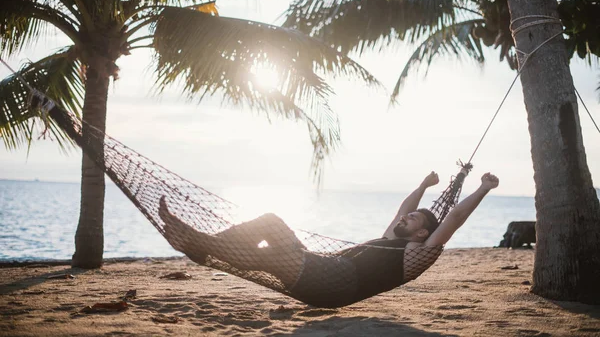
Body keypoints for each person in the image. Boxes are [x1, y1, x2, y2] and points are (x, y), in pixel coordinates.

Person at [159, 171, 499, 307]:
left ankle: (195, 243)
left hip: (336, 283)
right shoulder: (391, 240)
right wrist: (423, 186)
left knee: (270, 256)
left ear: (423, 233)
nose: (405, 217)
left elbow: (453, 218)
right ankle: (201, 245)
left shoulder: (418, 253)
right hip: (326, 269)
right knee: (270, 222)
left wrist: (483, 188)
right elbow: (402, 209)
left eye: (413, 219)